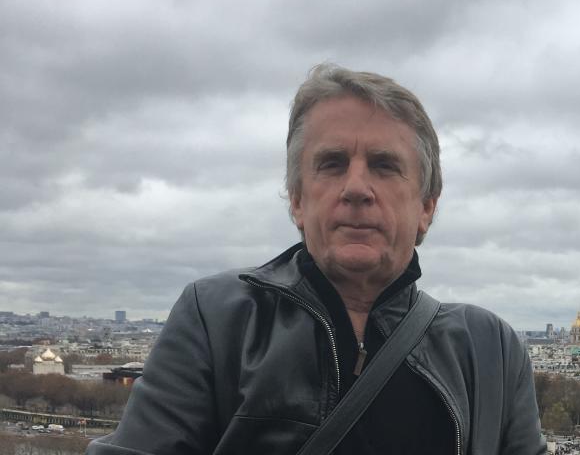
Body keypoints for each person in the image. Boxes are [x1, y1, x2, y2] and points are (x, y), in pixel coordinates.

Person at [87, 64, 545, 455]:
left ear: (427, 205)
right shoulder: (214, 318)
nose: (357, 188)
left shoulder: (493, 347)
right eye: (332, 164)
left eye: (384, 166)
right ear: (298, 201)